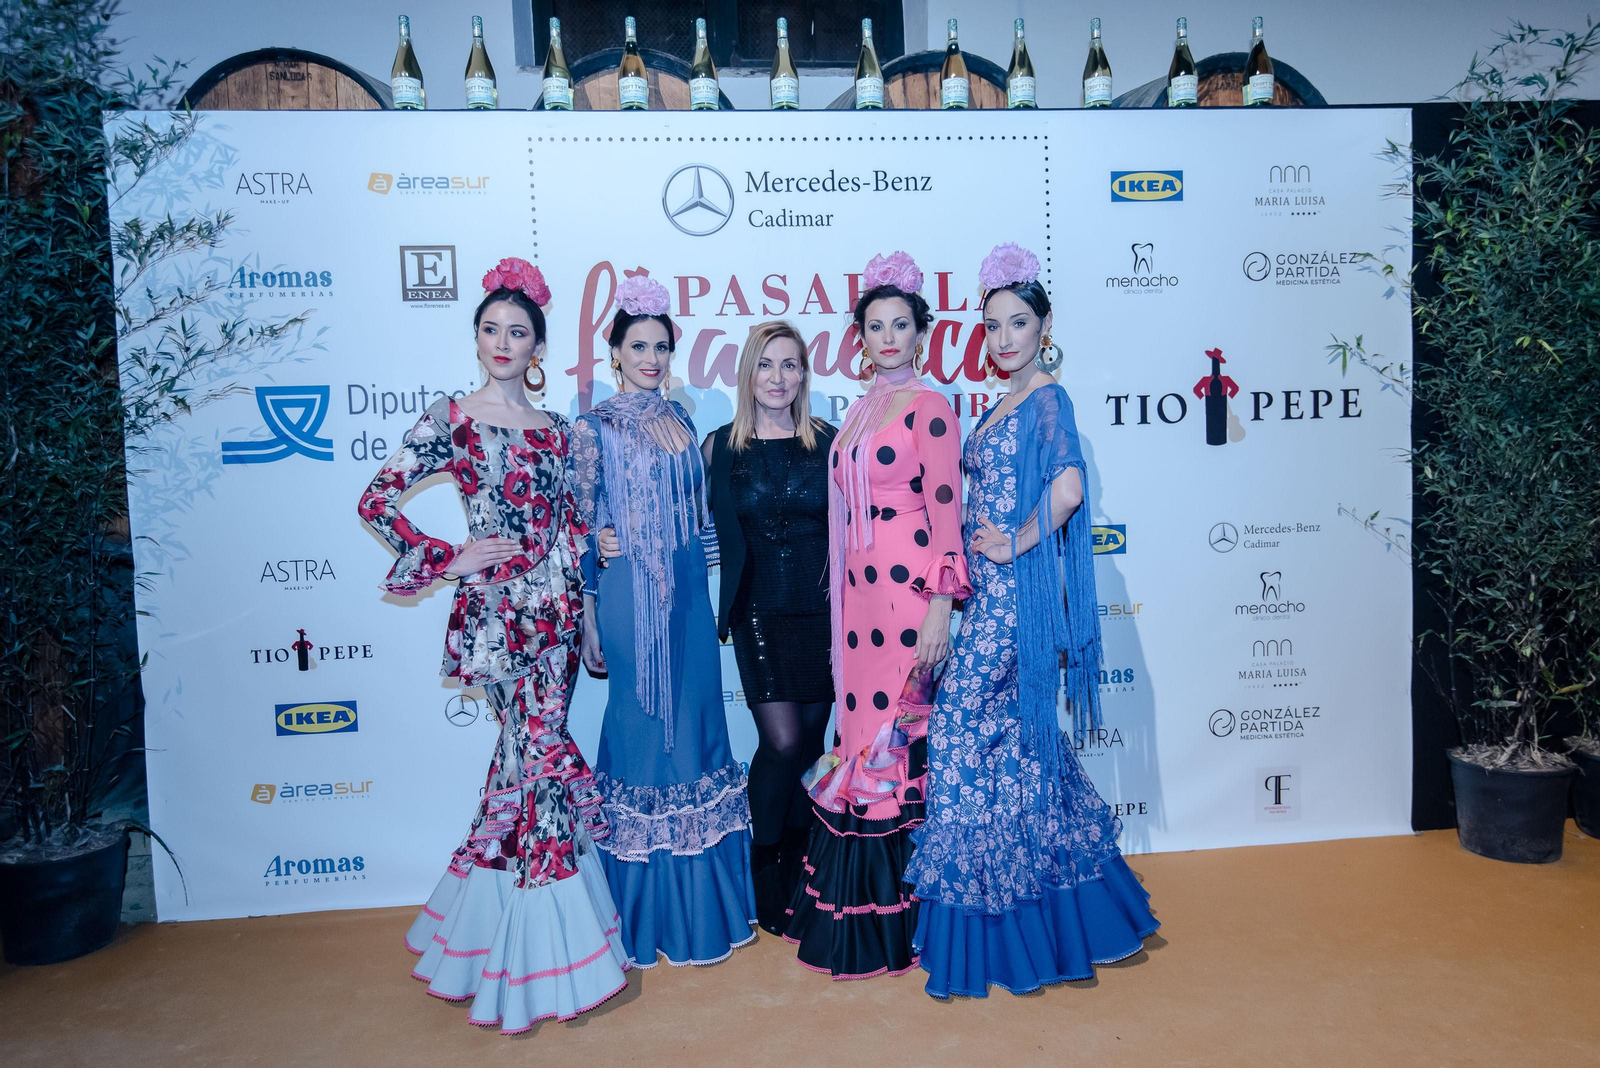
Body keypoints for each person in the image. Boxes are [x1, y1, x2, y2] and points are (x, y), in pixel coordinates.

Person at [359, 258, 628, 1033]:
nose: (503, 342)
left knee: (518, 765)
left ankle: (475, 937)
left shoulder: (564, 433)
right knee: (540, 759)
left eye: (518, 332)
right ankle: (548, 964)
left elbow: (577, 535)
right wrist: (450, 555)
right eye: (491, 329)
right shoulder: (453, 417)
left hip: (560, 621)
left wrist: (594, 624)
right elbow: (377, 500)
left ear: (538, 347)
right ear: (476, 338)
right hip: (499, 621)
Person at [905, 244, 1159, 999]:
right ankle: (1056, 918)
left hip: (1016, 604)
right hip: (991, 596)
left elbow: (1070, 490)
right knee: (1017, 752)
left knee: (955, 732)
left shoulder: (1047, 397)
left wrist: (1012, 543)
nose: (1005, 337)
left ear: (1045, 326)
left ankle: (991, 926)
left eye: (1019, 323)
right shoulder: (1005, 403)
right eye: (993, 326)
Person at [783, 252, 970, 979]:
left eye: (900, 325)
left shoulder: (931, 408)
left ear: (921, 333)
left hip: (907, 603)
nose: (888, 337)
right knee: (860, 739)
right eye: (875, 326)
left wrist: (941, 608)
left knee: (896, 744)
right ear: (859, 337)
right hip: (857, 607)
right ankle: (862, 915)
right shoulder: (861, 409)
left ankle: (907, 920)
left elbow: (947, 513)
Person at [571, 272, 757, 968]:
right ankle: (641, 916)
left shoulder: (682, 422)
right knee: (643, 735)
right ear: (613, 351)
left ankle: (703, 912)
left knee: (699, 736)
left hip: (685, 599)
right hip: (626, 603)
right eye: (637, 345)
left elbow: (703, 522)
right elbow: (575, 519)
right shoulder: (591, 428)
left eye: (661, 347)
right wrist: (593, 569)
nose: (650, 358)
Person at [703, 321, 837, 934]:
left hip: (827, 613)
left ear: (804, 375)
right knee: (781, 743)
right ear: (747, 373)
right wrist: (609, 543)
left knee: (811, 746)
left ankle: (799, 861)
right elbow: (682, 525)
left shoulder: (830, 443)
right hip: (758, 610)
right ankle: (763, 866)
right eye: (766, 365)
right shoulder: (718, 448)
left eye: (791, 365)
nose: (779, 378)